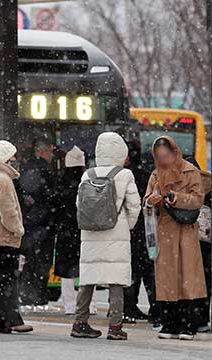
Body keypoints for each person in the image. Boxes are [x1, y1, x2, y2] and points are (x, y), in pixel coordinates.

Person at [70, 132, 141, 341]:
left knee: (88, 279)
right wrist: (126, 226)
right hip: (116, 232)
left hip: (90, 232)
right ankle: (115, 327)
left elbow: (79, 205)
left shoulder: (87, 174)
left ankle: (80, 322)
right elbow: (134, 206)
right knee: (115, 280)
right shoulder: (124, 174)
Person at [144, 136, 206, 341]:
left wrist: (175, 197)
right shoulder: (155, 174)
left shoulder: (190, 171)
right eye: (159, 157)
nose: (163, 161)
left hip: (186, 230)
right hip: (165, 231)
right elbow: (147, 200)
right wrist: (151, 201)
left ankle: (188, 324)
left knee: (187, 277)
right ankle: (169, 323)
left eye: (166, 156)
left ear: (175, 153)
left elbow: (198, 200)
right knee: (167, 279)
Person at [0, 140, 33, 334]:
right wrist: (18, 229)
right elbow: (8, 211)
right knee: (6, 283)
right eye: (12, 157)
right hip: (4, 239)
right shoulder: (4, 180)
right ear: (6, 159)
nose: (16, 160)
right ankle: (9, 320)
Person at [54, 146, 96, 315]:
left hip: (65, 230)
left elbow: (55, 206)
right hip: (84, 229)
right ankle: (89, 304)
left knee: (66, 270)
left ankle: (69, 304)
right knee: (86, 267)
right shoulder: (88, 180)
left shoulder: (60, 181)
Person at [17, 137, 57, 309]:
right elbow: (52, 197)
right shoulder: (46, 171)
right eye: (50, 151)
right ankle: (39, 294)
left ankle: (26, 293)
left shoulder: (24, 169)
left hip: (27, 224)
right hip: (43, 224)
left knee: (28, 260)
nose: (52, 155)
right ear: (41, 151)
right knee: (42, 261)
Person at [123, 139, 159, 326]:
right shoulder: (146, 176)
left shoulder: (125, 177)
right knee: (149, 271)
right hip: (148, 230)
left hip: (131, 230)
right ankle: (155, 308)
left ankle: (129, 307)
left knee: (132, 272)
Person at [185, 156, 212, 333]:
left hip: (186, 237)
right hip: (206, 239)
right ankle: (201, 317)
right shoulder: (209, 183)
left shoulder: (181, 182)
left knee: (185, 278)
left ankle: (187, 317)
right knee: (204, 279)